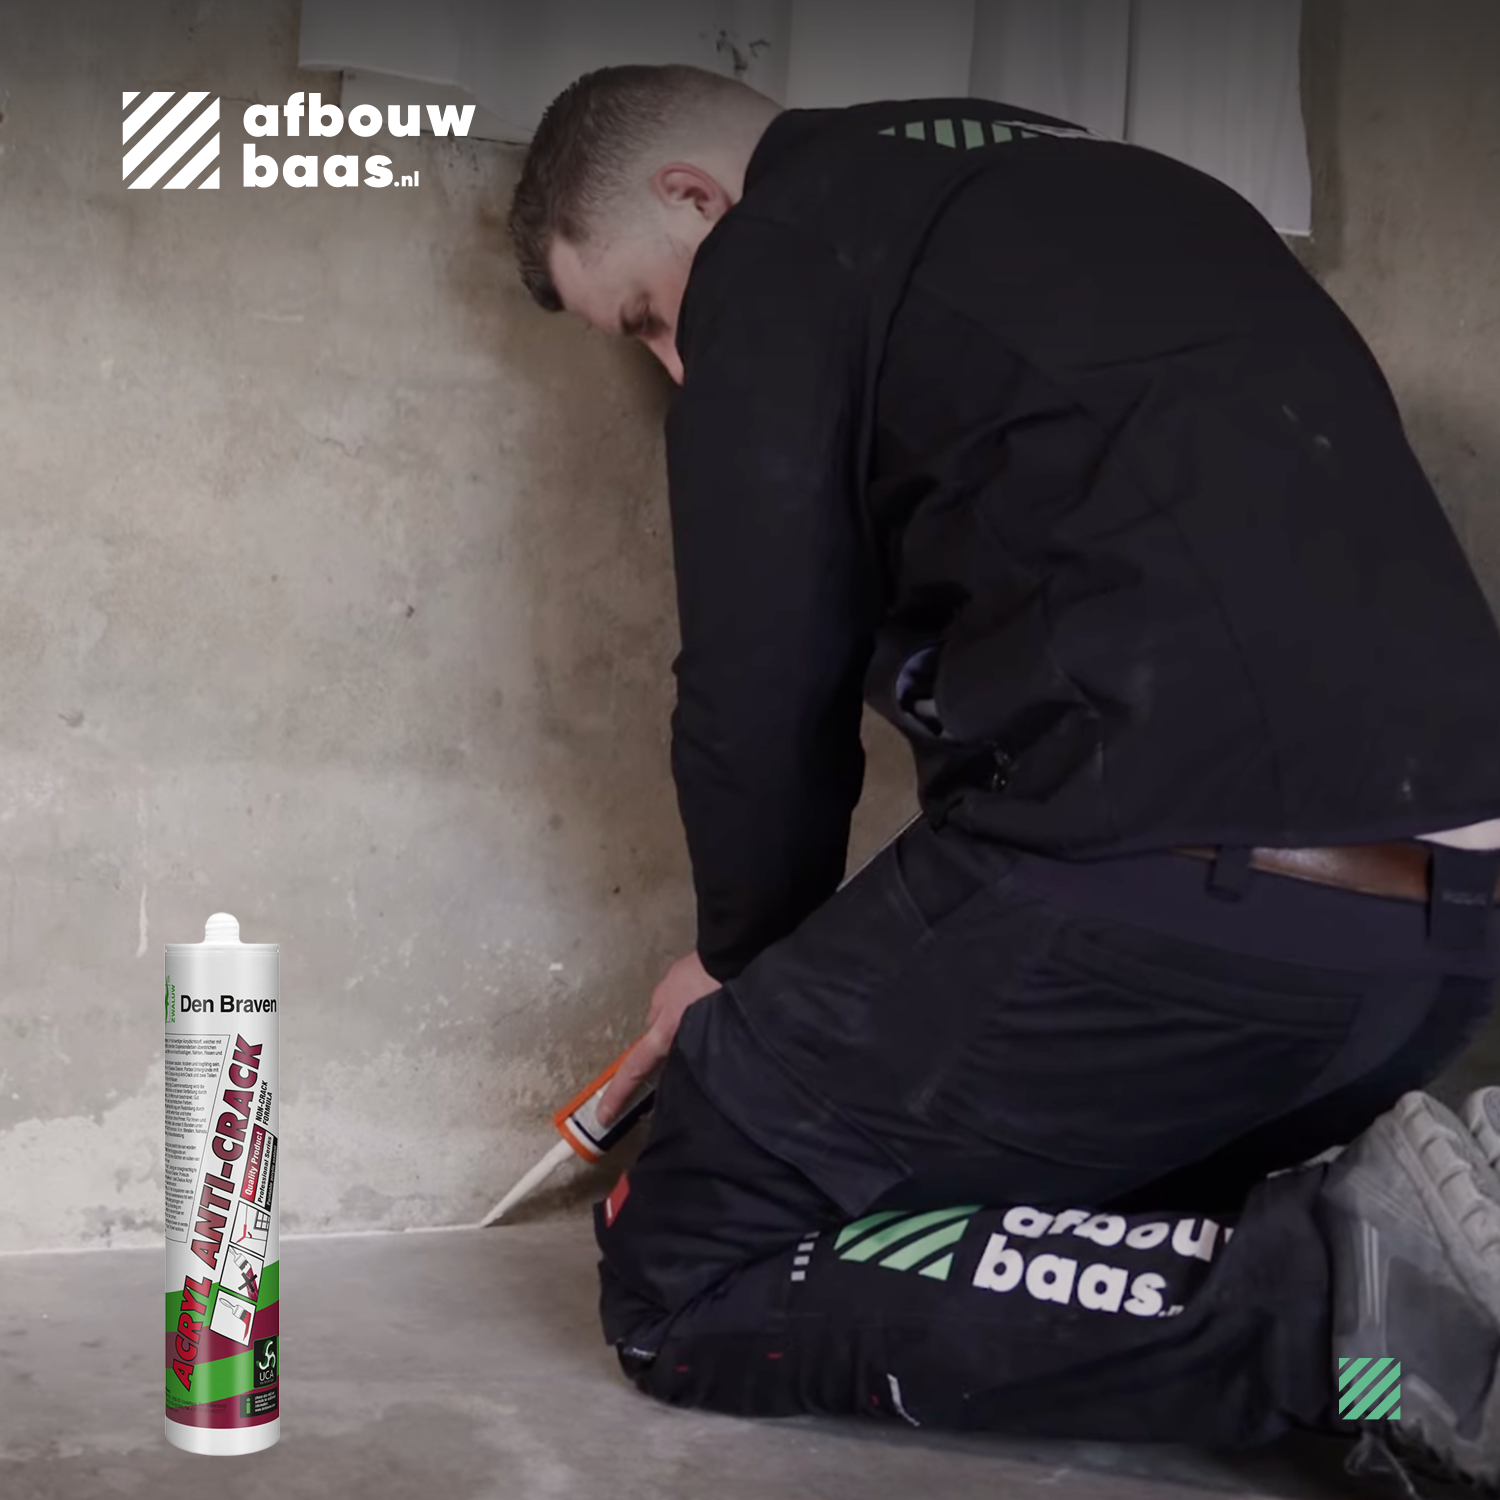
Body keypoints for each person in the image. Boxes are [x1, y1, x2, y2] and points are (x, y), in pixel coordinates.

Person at [506, 64, 1500, 1486]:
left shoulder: (783, 248)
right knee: (1063, 1217)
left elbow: (757, 682)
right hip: (1436, 963)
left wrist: (739, 966)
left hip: (1194, 898)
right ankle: (1390, 1242)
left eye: (651, 317)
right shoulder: (1137, 191)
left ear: (698, 200)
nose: (675, 368)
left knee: (687, 1252)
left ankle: (1346, 1322)